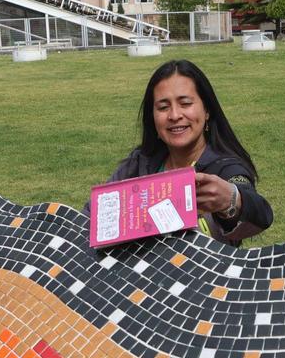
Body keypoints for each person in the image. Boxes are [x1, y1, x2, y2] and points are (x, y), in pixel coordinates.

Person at [104, 59, 273, 246]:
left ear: (206, 110)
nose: (175, 115)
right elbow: (94, 217)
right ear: (152, 117)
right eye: (163, 107)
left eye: (185, 103)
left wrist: (232, 200)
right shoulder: (139, 163)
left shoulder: (226, 169)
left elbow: (260, 213)